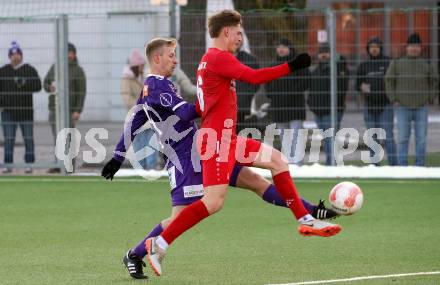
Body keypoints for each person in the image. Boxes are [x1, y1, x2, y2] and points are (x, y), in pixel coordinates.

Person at [101, 37, 338, 279]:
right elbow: (185, 113)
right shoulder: (158, 87)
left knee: (256, 182)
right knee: (179, 218)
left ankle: (309, 211)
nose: (175, 60)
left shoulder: (152, 88)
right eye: (171, 55)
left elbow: (134, 122)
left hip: (208, 148)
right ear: (157, 58)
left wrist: (117, 157)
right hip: (187, 159)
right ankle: (135, 253)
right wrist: (214, 97)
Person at [385, 33, 438, 166]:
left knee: (421, 139)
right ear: (406, 47)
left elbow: (434, 81)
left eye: (417, 46)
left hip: (422, 106)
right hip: (402, 106)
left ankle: (419, 165)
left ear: (420, 48)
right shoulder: (397, 63)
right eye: (411, 46)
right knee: (403, 138)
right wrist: (393, 98)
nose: (414, 48)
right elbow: (389, 80)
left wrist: (430, 97)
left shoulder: (426, 64)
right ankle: (403, 165)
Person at [43, 42, 86, 173]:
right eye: (67, 52)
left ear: (74, 54)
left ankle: (69, 165)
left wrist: (78, 110)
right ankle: (58, 164)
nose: (69, 55)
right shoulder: (55, 68)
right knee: (57, 138)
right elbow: (46, 82)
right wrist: (49, 87)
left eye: (71, 52)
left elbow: (81, 92)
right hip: (55, 109)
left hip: (69, 110)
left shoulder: (78, 70)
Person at [0, 41, 41, 173]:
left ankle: (29, 164)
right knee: (9, 139)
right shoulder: (3, 71)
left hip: (25, 112)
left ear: (21, 55)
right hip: (8, 113)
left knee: (28, 139)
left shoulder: (29, 69)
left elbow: (38, 86)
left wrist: (25, 83)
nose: (15, 56)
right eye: (12, 54)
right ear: (9, 56)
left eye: (18, 53)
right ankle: (8, 164)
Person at [266, 38, 309, 164]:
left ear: (290, 48)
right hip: (279, 108)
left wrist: (290, 94)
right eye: (279, 47)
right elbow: (267, 84)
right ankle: (288, 164)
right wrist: (273, 95)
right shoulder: (273, 65)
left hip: (295, 107)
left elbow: (305, 82)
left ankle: (297, 164)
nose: (281, 49)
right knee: (285, 139)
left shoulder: (298, 64)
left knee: (297, 137)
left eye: (284, 46)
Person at [356, 37, 397, 166]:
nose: (374, 49)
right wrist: (361, 86)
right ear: (368, 49)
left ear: (380, 48)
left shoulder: (388, 62)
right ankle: (375, 166)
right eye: (371, 46)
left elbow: (394, 81)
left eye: (376, 46)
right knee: (372, 138)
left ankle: (394, 166)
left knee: (388, 136)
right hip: (369, 106)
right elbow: (357, 84)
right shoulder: (363, 65)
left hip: (385, 105)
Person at [307, 43, 349, 165]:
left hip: (332, 111)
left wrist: (339, 60)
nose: (323, 55)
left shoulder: (338, 68)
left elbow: (343, 84)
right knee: (327, 139)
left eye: (326, 52)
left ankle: (332, 164)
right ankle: (330, 163)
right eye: (321, 52)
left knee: (331, 139)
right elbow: (311, 90)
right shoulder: (315, 71)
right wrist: (311, 103)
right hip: (318, 111)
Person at [121, 49, 158, 169]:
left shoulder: (145, 77)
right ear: (136, 66)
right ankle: (142, 169)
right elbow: (126, 98)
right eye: (141, 65)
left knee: (152, 142)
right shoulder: (127, 79)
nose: (143, 67)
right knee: (140, 145)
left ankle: (151, 168)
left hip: (149, 116)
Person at [233, 40, 260, 133]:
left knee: (240, 134)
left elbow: (257, 79)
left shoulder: (250, 60)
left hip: (241, 105)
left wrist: (247, 94)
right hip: (224, 105)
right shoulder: (220, 59)